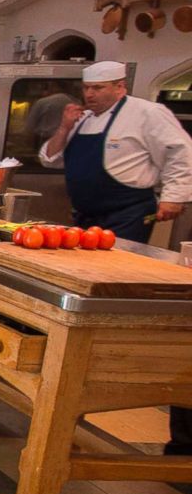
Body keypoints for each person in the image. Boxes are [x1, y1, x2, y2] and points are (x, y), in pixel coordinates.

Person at [38, 59, 192, 454]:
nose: (91, 95)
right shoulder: (82, 122)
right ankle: (83, 352)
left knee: (115, 282)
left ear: (120, 86)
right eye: (88, 89)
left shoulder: (148, 114)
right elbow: (48, 158)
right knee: (87, 281)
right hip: (87, 215)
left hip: (127, 209)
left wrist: (175, 196)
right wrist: (65, 127)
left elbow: (180, 154)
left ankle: (115, 358)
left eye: (100, 89)